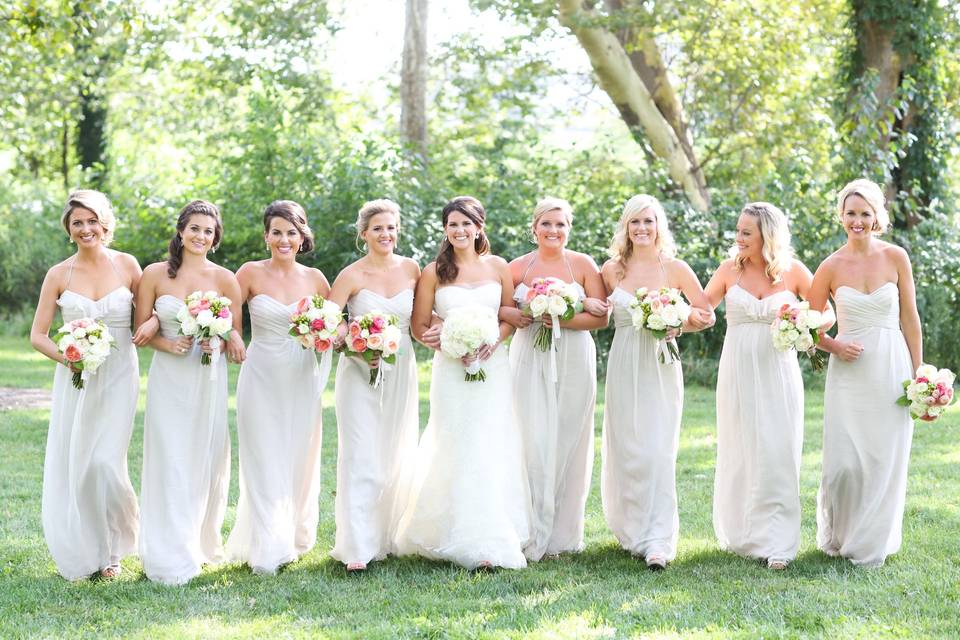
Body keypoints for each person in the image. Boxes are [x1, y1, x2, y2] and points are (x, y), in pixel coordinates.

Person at [394, 195, 531, 569]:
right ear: (445, 230)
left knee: (491, 439)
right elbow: (419, 326)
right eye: (453, 224)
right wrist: (451, 345)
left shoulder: (499, 266)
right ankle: (451, 531)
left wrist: (491, 344)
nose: (460, 230)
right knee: (455, 440)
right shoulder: (434, 272)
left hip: (494, 366)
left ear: (479, 227)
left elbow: (508, 316)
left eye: (466, 224)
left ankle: (493, 531)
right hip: (451, 369)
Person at [30, 189, 155, 580]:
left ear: (105, 224)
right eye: (77, 223)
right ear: (69, 230)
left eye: (92, 221)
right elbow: (39, 335)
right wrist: (70, 356)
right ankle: (94, 550)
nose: (86, 229)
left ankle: (118, 544)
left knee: (106, 461)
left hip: (120, 372)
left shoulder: (129, 266)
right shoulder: (59, 274)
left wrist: (150, 323)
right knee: (82, 464)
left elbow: (148, 314)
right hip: (77, 378)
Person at [807, 179, 921, 567]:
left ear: (877, 217)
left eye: (865, 213)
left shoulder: (896, 257)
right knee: (845, 462)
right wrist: (835, 345)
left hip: (892, 363)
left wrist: (919, 371)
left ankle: (874, 540)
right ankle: (843, 532)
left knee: (884, 454)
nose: (858, 220)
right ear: (841, 216)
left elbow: (910, 316)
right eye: (851, 213)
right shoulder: (830, 266)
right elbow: (806, 325)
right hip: (849, 372)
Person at [599, 194, 714, 569]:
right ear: (626, 227)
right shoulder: (611, 270)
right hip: (623, 362)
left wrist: (676, 323)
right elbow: (599, 312)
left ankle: (659, 541)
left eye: (648, 221)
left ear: (658, 226)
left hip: (661, 363)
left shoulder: (675, 268)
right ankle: (632, 531)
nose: (642, 228)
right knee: (628, 448)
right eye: (635, 222)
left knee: (657, 451)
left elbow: (706, 314)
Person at [135, 200, 245, 585]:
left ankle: (196, 540)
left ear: (215, 239)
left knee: (202, 455)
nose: (201, 236)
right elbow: (140, 334)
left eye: (208, 231)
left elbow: (236, 336)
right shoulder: (153, 275)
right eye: (194, 228)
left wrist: (226, 338)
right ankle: (166, 548)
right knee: (169, 456)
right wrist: (166, 343)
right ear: (180, 231)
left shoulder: (226, 280)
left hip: (207, 382)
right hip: (168, 377)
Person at [704, 202, 814, 570]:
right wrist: (666, 318)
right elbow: (701, 312)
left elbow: (826, 312)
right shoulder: (727, 271)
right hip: (736, 371)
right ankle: (745, 533)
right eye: (737, 231)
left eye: (746, 232)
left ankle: (779, 541)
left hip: (778, 372)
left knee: (777, 449)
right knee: (741, 448)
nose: (738, 238)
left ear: (767, 235)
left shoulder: (794, 272)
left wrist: (804, 325)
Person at [225, 200, 331, 575]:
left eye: (291, 232)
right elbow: (227, 317)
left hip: (301, 376)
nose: (284, 239)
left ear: (302, 237)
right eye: (277, 232)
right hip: (261, 373)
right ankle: (269, 542)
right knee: (264, 452)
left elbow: (330, 327)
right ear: (266, 236)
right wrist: (233, 337)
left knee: (299, 454)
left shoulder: (316, 279)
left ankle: (294, 532)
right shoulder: (249, 273)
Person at [499, 197, 607, 561]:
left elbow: (601, 317)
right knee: (530, 434)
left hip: (574, 355)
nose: (553, 231)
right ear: (534, 228)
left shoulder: (583, 265)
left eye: (560, 224)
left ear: (569, 229)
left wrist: (563, 317)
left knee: (568, 434)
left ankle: (561, 533)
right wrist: (522, 312)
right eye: (546, 224)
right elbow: (501, 308)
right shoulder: (515, 267)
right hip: (530, 354)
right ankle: (528, 526)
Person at [327, 198, 420, 572]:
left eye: (391, 227)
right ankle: (358, 546)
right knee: (361, 452)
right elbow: (331, 324)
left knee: (395, 449)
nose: (386, 234)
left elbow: (422, 319)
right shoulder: (351, 275)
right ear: (363, 233)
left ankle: (392, 534)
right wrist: (355, 344)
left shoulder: (413, 269)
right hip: (358, 371)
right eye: (378, 228)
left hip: (401, 369)